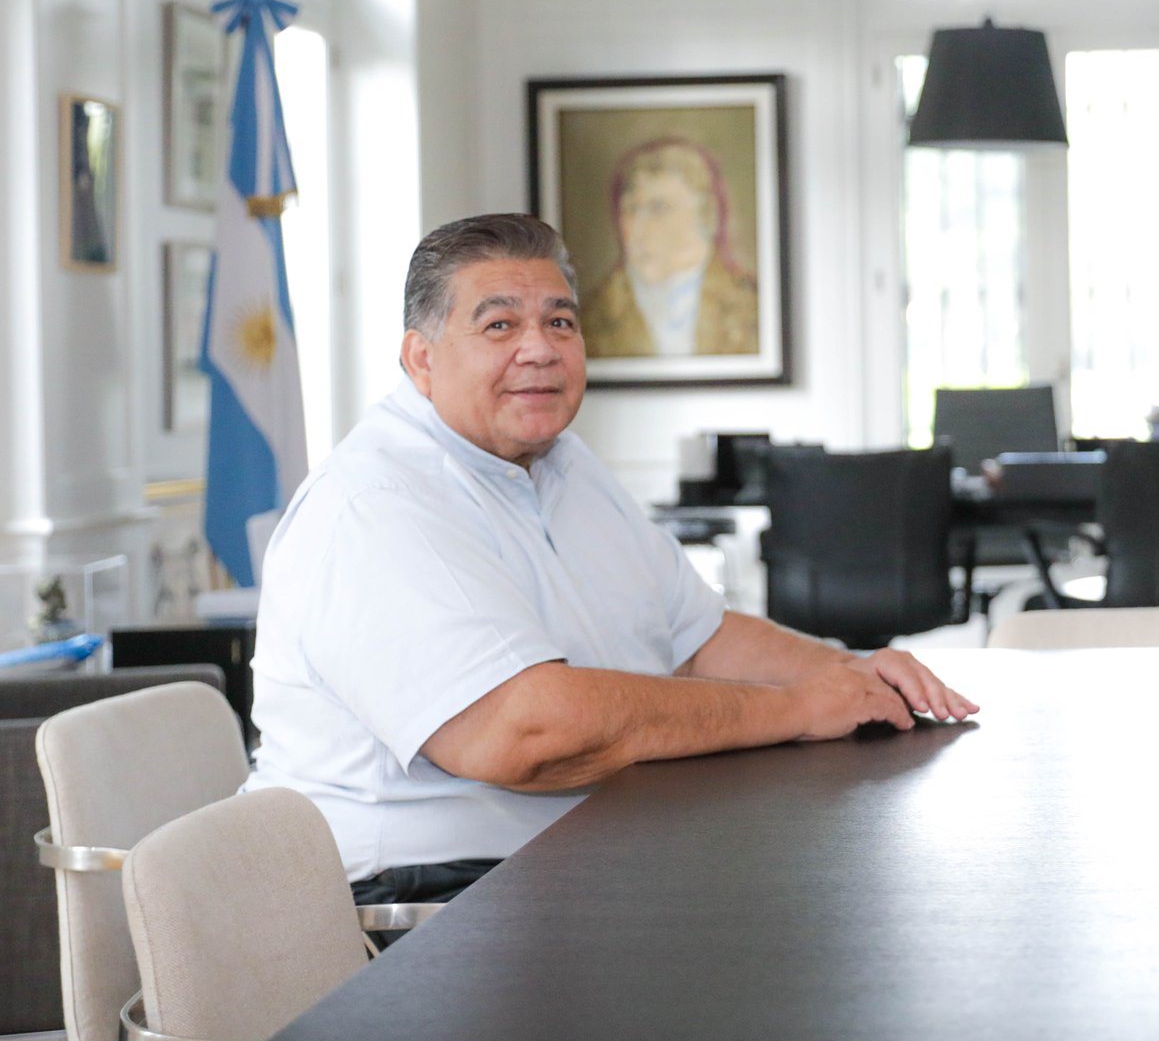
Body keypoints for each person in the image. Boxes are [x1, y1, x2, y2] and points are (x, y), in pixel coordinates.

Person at [246, 213, 975, 910]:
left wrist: (850, 675)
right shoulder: (373, 504)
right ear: (421, 359)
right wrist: (796, 709)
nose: (539, 349)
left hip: (582, 856)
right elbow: (524, 736)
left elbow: (699, 638)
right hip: (421, 903)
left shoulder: (562, 462)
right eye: (499, 325)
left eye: (559, 322)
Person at [585, 137, 760, 358]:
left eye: (658, 208)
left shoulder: (753, 307)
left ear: (707, 215)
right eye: (631, 208)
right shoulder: (592, 315)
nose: (638, 227)